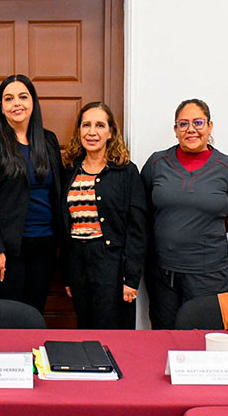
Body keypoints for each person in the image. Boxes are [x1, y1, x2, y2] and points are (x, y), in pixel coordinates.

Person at [141, 98, 228, 329]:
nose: (191, 129)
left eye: (198, 122)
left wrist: (205, 229)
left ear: (210, 127)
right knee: (163, 333)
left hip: (209, 273)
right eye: (183, 124)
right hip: (162, 272)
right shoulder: (156, 163)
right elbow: (144, 212)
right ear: (175, 130)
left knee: (203, 337)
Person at [0, 74, 64, 313]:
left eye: (23, 96)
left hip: (45, 246)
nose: (16, 103)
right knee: (8, 318)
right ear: (1, 107)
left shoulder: (49, 140)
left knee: (34, 313)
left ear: (33, 102)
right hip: (6, 251)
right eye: (8, 99)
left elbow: (58, 191)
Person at [61, 102, 148, 329]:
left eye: (100, 125)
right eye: (86, 125)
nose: (92, 132)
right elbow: (64, 226)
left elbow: (137, 229)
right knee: (85, 329)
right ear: (78, 131)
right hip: (78, 262)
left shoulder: (126, 172)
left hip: (112, 265)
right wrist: (68, 275)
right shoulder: (70, 171)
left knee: (113, 334)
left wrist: (131, 279)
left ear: (110, 132)